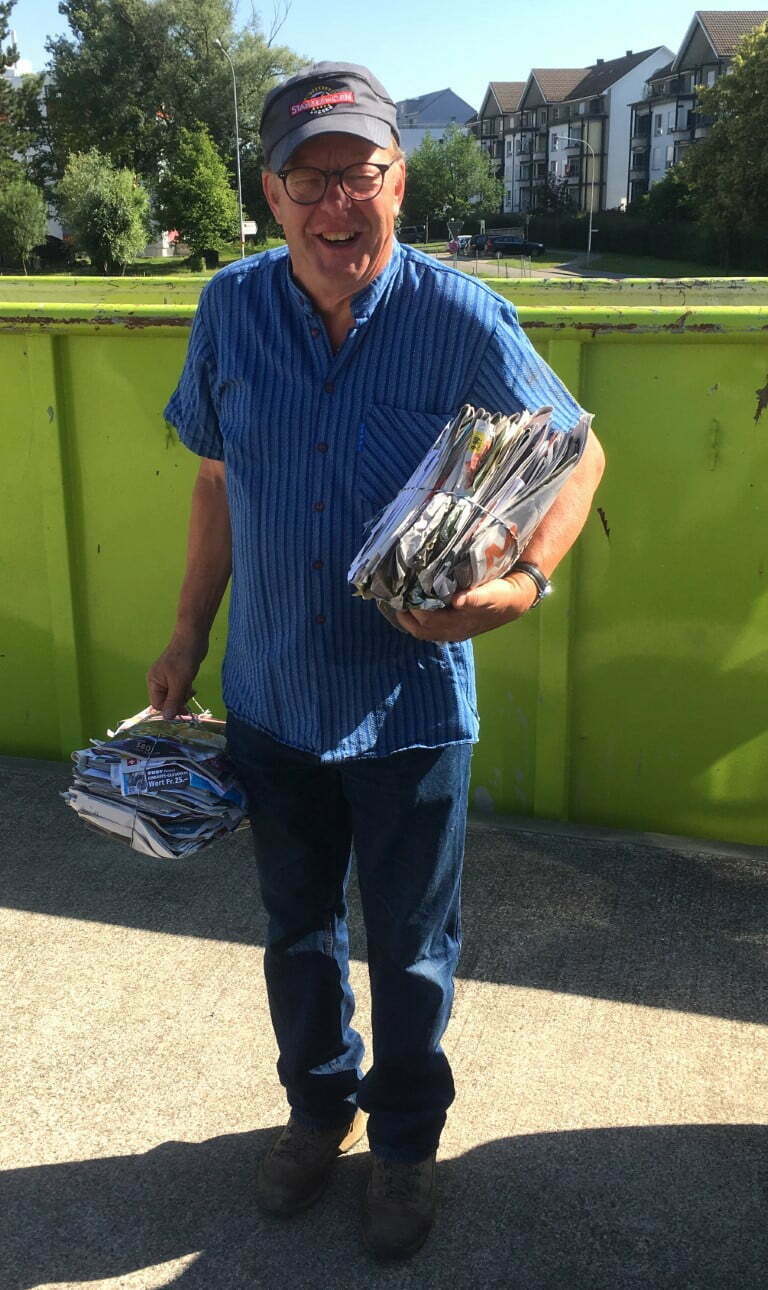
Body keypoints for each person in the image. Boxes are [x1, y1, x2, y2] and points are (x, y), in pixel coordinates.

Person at [149, 61, 605, 1262]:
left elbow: (577, 449)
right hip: (272, 695)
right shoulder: (229, 309)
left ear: (399, 182)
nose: (335, 204)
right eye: (308, 180)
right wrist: (188, 632)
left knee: (412, 946)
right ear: (270, 194)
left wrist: (522, 583)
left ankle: (405, 1141)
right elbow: (215, 482)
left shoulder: (461, 316)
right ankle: (318, 1111)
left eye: (359, 174)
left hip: (411, 710)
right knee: (296, 930)